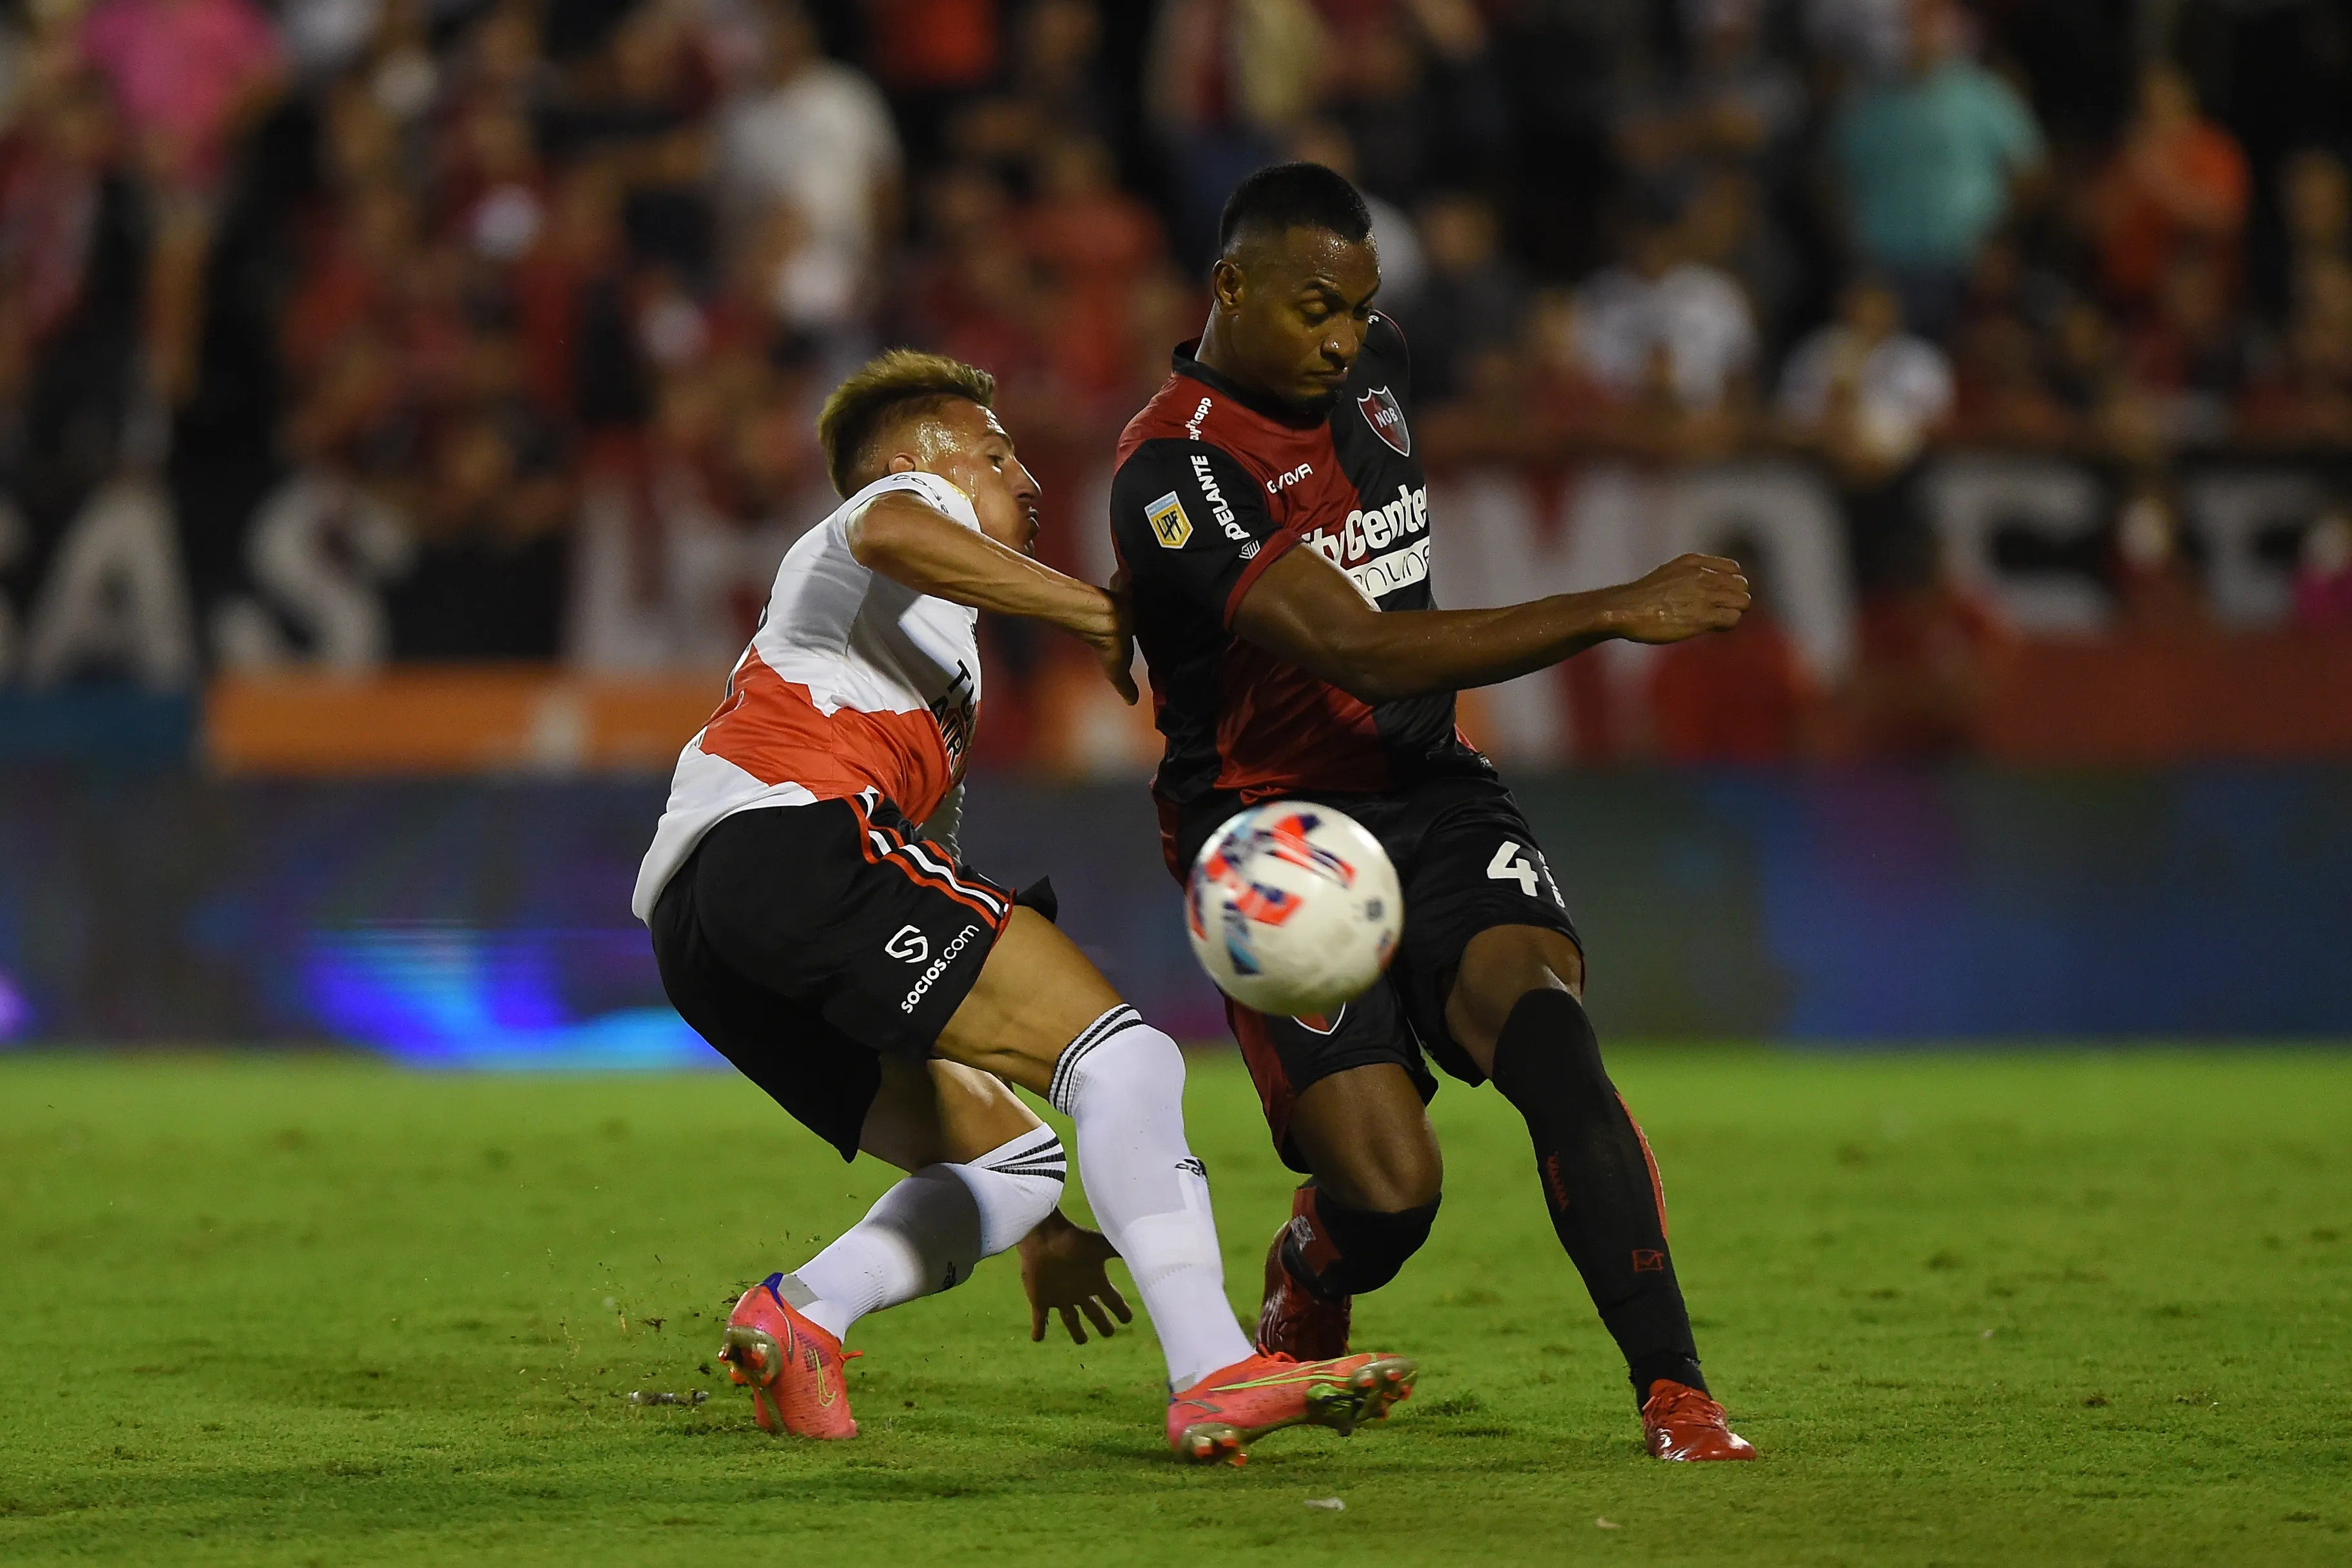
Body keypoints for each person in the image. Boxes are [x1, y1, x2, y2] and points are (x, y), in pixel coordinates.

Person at [633, 349, 1416, 1465]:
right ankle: (1211, 1370)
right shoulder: (892, 509)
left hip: (702, 929)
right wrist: (1092, 614)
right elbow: (897, 530)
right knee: (1127, 1060)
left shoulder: (927, 657)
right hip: (792, 837)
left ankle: (802, 1314)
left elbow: (923, 914)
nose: (1028, 481)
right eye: (998, 455)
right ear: (918, 462)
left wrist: (1048, 1236)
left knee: (1017, 1165)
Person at [1107, 163, 1757, 1462]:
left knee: (1555, 1047)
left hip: (1431, 791)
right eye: (1313, 310)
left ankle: (1674, 1390)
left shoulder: (1371, 359)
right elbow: (1358, 648)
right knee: (1393, 1195)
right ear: (1228, 286)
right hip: (1273, 832)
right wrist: (1609, 604)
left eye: (1359, 309)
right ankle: (1313, 1254)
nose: (1344, 340)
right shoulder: (1174, 463)